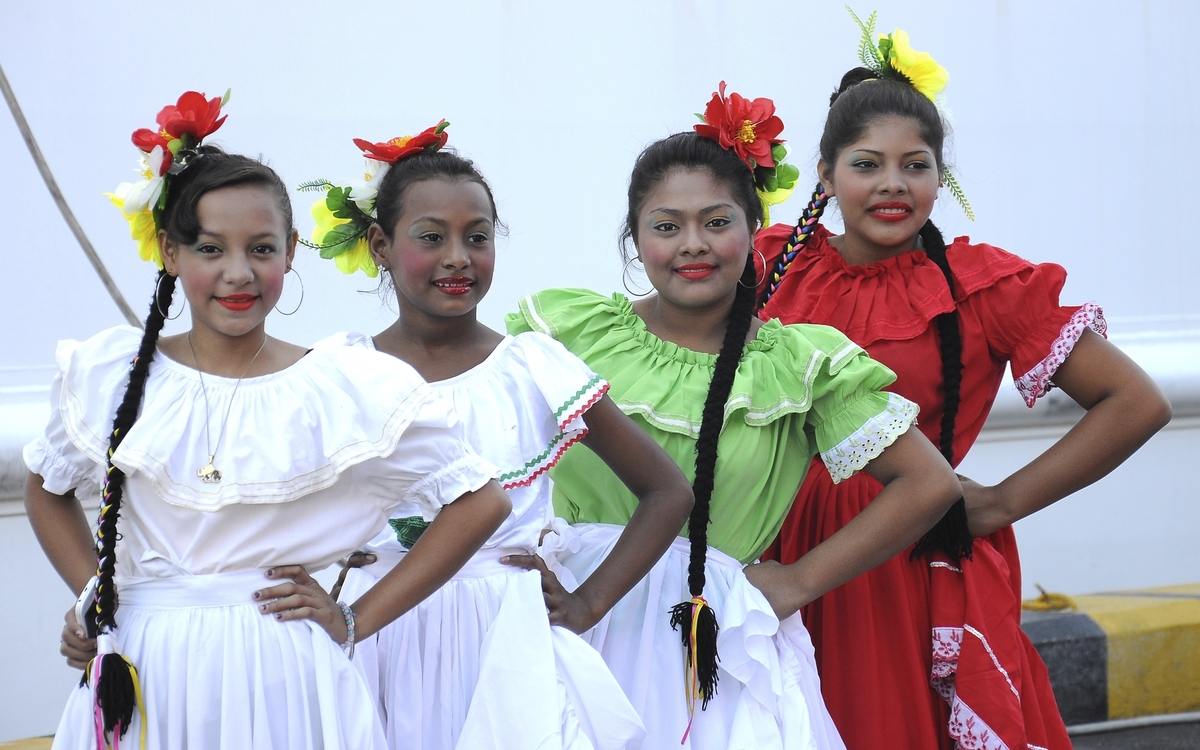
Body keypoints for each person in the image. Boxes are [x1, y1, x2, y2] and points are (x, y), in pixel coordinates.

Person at [28, 92, 511, 750]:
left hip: (286, 671)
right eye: (209, 248)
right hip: (149, 661)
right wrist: (95, 592)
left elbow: (480, 504)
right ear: (170, 252)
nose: (238, 272)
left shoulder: (344, 386)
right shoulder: (114, 375)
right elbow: (47, 486)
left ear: (289, 253)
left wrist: (355, 617)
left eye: (260, 248)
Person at [755, 14, 1173, 750]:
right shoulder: (770, 266)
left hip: (900, 558)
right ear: (824, 175)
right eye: (866, 164)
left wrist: (1001, 503)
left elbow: (1137, 402)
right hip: (772, 547)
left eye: (916, 165)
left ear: (940, 177)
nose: (893, 185)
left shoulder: (980, 286)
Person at [505, 83, 964, 750]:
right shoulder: (572, 334)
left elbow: (930, 484)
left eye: (717, 222)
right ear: (634, 241)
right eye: (667, 226)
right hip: (567, 619)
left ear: (754, 231)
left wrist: (796, 582)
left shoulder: (796, 365)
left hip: (711, 637)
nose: (693, 244)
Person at [298, 123, 694, 749]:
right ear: (380, 244)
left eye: (477, 238)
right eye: (432, 237)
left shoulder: (533, 368)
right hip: (377, 632)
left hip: (507, 639)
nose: (459, 256)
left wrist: (589, 605)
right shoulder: (339, 373)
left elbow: (667, 490)